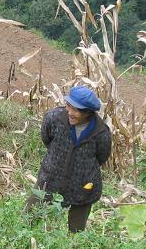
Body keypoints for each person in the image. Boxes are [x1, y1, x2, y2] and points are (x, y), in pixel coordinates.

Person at [27, 85, 112, 232]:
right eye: (68, 106)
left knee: (76, 232)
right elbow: (47, 139)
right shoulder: (54, 119)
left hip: (83, 185)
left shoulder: (101, 133)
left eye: (76, 110)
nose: (70, 112)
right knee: (29, 217)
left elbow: (102, 156)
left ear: (88, 113)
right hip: (50, 177)